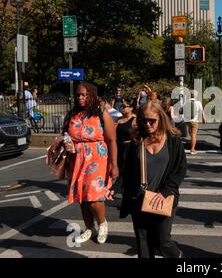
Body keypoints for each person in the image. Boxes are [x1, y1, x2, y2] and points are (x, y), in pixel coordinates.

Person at [120, 100, 186, 258]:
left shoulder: (173, 140)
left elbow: (180, 169)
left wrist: (165, 191)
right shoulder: (137, 141)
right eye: (143, 120)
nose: (148, 124)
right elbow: (127, 170)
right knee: (143, 242)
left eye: (152, 120)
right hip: (140, 198)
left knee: (161, 240)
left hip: (164, 197)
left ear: (161, 119)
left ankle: (176, 255)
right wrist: (116, 187)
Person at [63, 83, 119, 244]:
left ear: (92, 95)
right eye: (78, 95)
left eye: (84, 95)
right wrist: (67, 143)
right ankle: (89, 228)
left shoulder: (101, 113)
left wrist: (114, 165)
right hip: (77, 160)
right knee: (82, 197)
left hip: (98, 159)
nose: (80, 97)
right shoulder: (72, 114)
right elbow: (66, 135)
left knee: (94, 197)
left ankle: (102, 223)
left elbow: (112, 139)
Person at [113, 98, 137, 195]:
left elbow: (137, 135)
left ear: (131, 108)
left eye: (125, 106)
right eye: (121, 107)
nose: (122, 108)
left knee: (127, 169)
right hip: (119, 147)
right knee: (120, 168)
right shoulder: (119, 120)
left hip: (129, 147)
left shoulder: (134, 119)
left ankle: (123, 188)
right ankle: (121, 188)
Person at [186, 90, 206, 155]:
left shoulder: (186, 102)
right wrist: (203, 119)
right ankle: (192, 149)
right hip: (195, 121)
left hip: (188, 121)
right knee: (194, 135)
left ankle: (192, 145)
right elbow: (202, 111)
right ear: (196, 96)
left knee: (191, 135)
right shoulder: (198, 102)